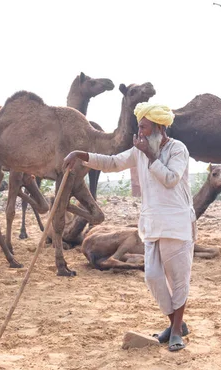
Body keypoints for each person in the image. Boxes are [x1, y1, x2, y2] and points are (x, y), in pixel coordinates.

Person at [63, 102, 196, 352]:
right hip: (152, 225)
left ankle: (176, 331)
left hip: (176, 224)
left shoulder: (178, 150)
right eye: (139, 127)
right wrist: (82, 155)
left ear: (159, 127)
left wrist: (149, 155)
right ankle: (175, 323)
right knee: (153, 277)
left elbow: (170, 179)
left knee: (178, 280)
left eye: (144, 127)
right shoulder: (139, 151)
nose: (140, 132)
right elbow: (113, 162)